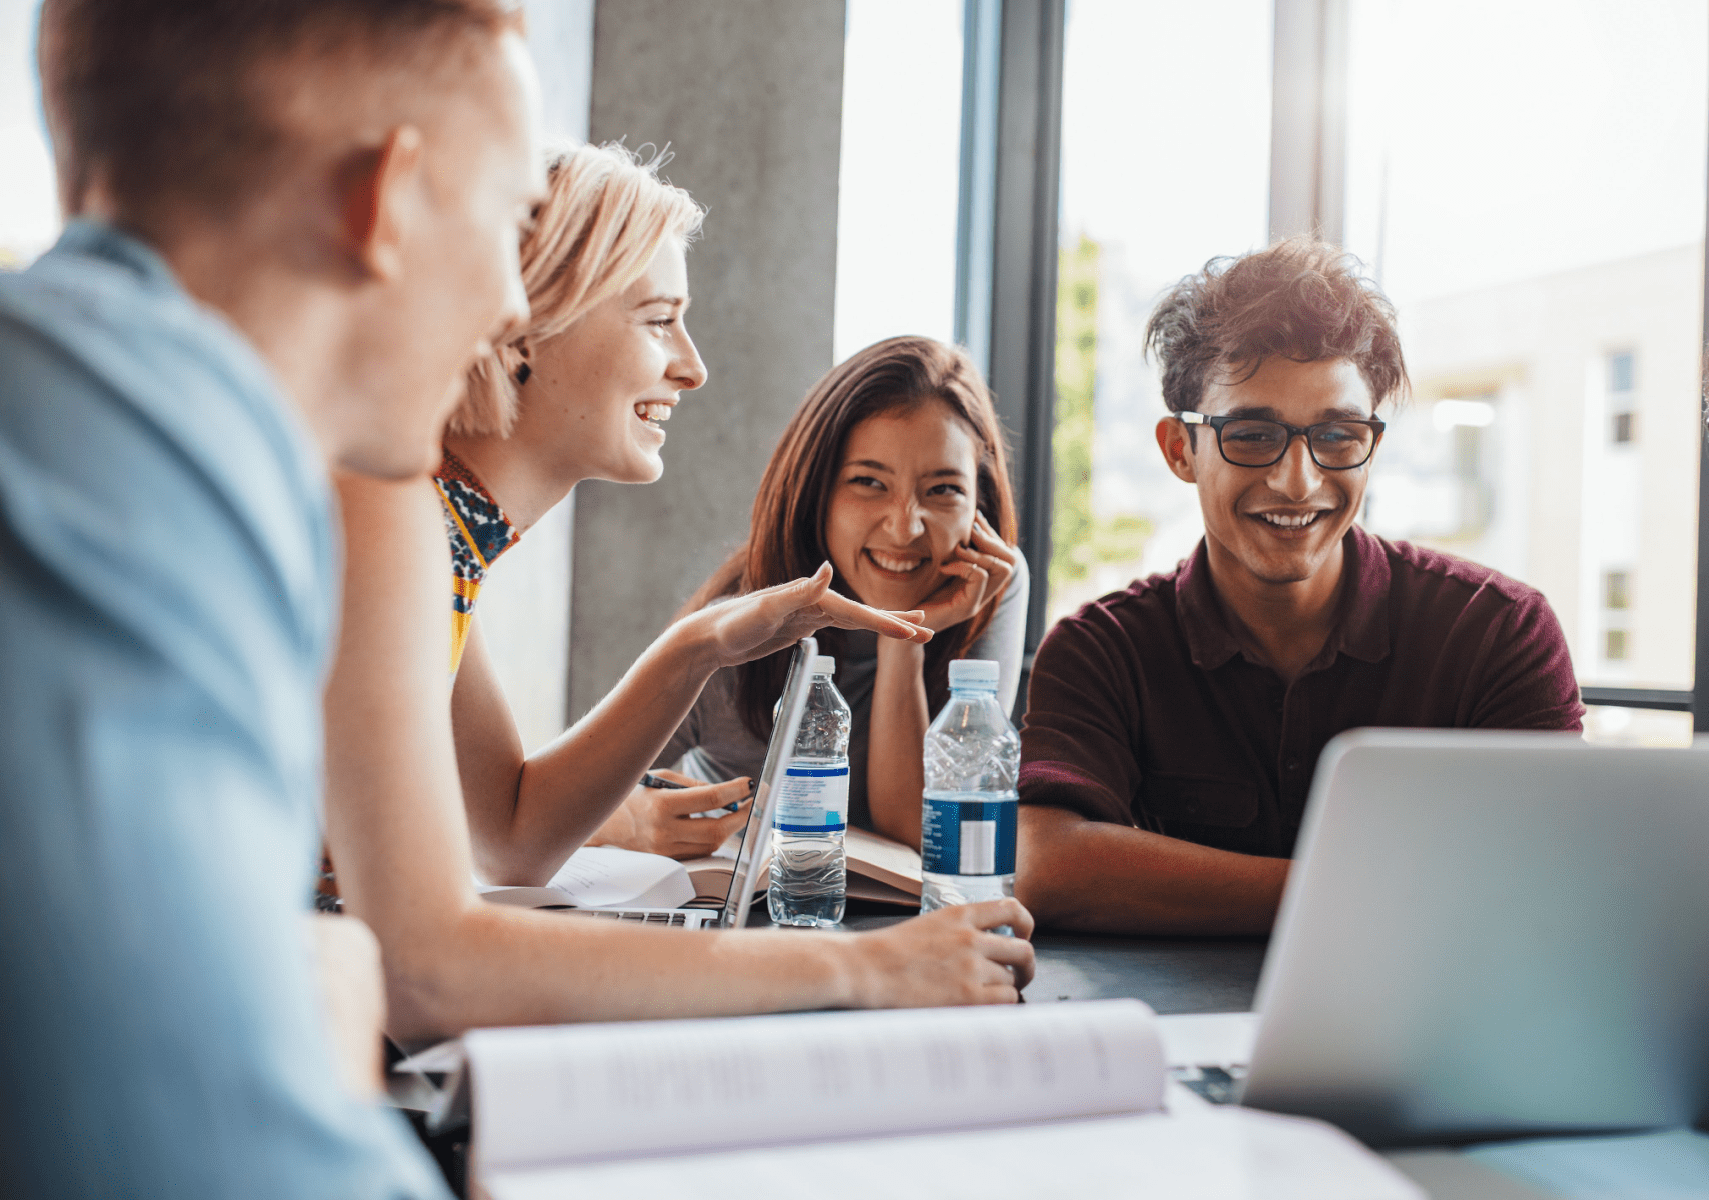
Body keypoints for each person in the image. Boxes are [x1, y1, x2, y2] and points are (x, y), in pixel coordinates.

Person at [2, 1, 546, 1195]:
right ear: (387, 198)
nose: (515, 300)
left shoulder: (110, 409)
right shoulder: (130, 453)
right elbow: (210, 1160)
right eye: (512, 218)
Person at [325, 151, 1035, 1043]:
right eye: (660, 320)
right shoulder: (386, 523)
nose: (693, 369)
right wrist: (864, 965)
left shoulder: (442, 545)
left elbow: (510, 834)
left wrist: (697, 645)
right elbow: (429, 968)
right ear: (520, 325)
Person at [1013, 237, 1585, 937]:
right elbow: (1046, 863)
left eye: (1338, 435)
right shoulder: (1103, 650)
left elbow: (1544, 881)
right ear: (1177, 450)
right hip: (1175, 1032)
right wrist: (1378, 896)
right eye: (1252, 434)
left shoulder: (1498, 632)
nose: (1298, 480)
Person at [662, 335, 1027, 850]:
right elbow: (581, 800)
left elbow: (922, 829)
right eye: (869, 482)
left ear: (979, 505)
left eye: (943, 490)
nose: (905, 529)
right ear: (817, 493)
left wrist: (903, 637)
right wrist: (630, 820)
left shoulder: (991, 582)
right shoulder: (735, 629)